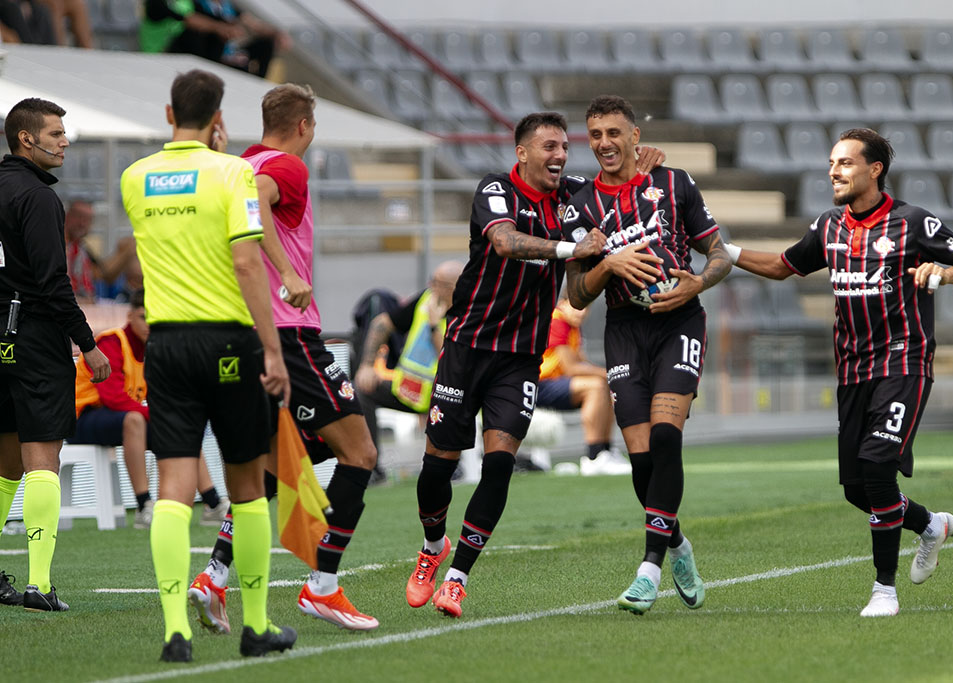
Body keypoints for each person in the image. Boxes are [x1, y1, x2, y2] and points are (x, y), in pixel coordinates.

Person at [725, 128, 953, 617]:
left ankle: (883, 590)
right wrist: (729, 253)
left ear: (875, 169)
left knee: (876, 465)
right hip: (852, 369)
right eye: (832, 163)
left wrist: (944, 272)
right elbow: (785, 266)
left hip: (904, 361)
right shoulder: (828, 226)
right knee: (857, 489)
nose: (834, 171)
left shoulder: (913, 222)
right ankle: (930, 525)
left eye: (845, 163)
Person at [404, 111, 656, 620]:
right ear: (522, 153)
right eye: (548, 147)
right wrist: (571, 248)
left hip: (520, 359)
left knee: (499, 464)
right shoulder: (495, 188)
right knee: (436, 468)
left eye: (564, 146)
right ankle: (433, 547)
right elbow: (504, 242)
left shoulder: (574, 195)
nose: (560, 155)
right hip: (466, 347)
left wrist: (642, 163)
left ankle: (457, 579)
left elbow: (619, 183)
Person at [187, 83, 380, 636]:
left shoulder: (237, 164)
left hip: (241, 333)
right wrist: (289, 272)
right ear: (303, 126)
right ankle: (323, 586)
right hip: (289, 336)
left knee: (274, 464)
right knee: (360, 454)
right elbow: (259, 200)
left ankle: (214, 577)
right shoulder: (284, 166)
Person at [120, 69, 294, 662]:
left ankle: (176, 632)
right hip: (228, 343)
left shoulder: (134, 177)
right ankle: (256, 627)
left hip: (166, 344)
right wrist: (273, 350)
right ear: (219, 118)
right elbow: (246, 263)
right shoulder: (233, 172)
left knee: (173, 487)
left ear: (170, 113)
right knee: (246, 487)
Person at [562, 95, 733, 615]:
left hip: (679, 320)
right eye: (595, 135)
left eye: (614, 133)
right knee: (641, 459)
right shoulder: (580, 205)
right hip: (624, 329)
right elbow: (576, 295)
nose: (605, 143)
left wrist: (697, 284)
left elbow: (719, 254)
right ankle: (677, 544)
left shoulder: (674, 183)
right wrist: (608, 264)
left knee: (664, 436)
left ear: (635, 136)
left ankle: (649, 569)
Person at [0, 97, 111, 611]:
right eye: (55, 133)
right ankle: (38, 585)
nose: (64, 141)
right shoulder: (38, 197)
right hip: (34, 338)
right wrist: (87, 343)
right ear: (27, 139)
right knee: (42, 457)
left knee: (6, 462)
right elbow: (52, 281)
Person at [70, 289, 230, 529]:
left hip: (121, 418)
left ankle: (213, 503)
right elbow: (112, 397)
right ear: (130, 316)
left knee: (181, 427)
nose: (148, 325)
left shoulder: (155, 348)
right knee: (135, 420)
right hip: (82, 418)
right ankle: (144, 505)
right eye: (143, 317)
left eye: (153, 319)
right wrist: (157, 416)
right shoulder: (112, 342)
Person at [353, 261, 462, 454]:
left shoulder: (469, 313)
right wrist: (367, 366)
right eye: (432, 281)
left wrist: (434, 325)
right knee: (361, 390)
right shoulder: (425, 300)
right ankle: (370, 463)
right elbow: (382, 323)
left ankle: (453, 464)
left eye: (439, 284)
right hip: (410, 390)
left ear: (457, 288)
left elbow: (451, 361)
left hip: (450, 396)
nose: (432, 287)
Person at [536, 296, 629, 475]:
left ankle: (605, 451)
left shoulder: (572, 326)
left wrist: (608, 377)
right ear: (562, 304)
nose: (582, 313)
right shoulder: (557, 321)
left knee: (604, 385)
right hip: (539, 385)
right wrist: (610, 373)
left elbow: (581, 362)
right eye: (577, 307)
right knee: (595, 387)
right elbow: (571, 368)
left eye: (586, 308)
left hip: (557, 384)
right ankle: (593, 457)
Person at [141, 0, 291, 78]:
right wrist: (221, 28)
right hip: (160, 54)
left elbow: (251, 23)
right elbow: (191, 20)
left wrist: (276, 33)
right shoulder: (158, 3)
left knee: (265, 46)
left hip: (219, 53)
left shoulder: (224, 6)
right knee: (199, 33)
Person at [63, 199, 139, 303]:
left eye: (88, 219)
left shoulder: (80, 248)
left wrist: (125, 252)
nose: (82, 223)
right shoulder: (59, 248)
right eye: (78, 216)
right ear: (66, 216)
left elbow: (100, 273)